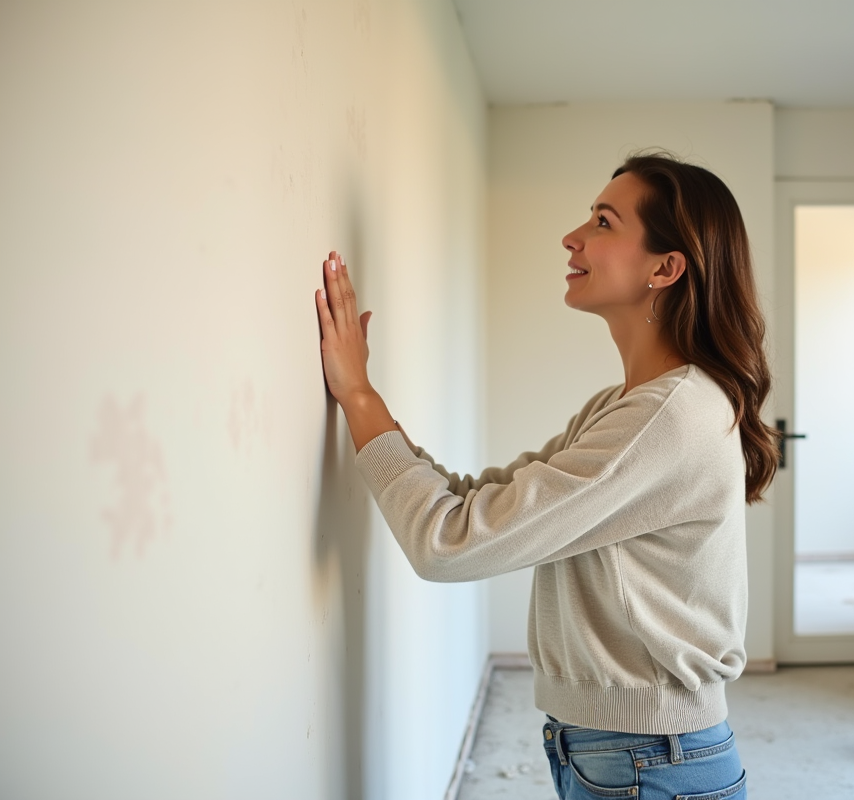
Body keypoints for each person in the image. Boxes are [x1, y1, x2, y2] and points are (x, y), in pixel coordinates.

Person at [315, 152, 777, 800]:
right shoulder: (624, 407)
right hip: (627, 757)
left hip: (651, 764)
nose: (573, 236)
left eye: (604, 222)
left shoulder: (669, 419)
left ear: (665, 268)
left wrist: (359, 398)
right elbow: (472, 502)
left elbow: (449, 542)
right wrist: (368, 401)